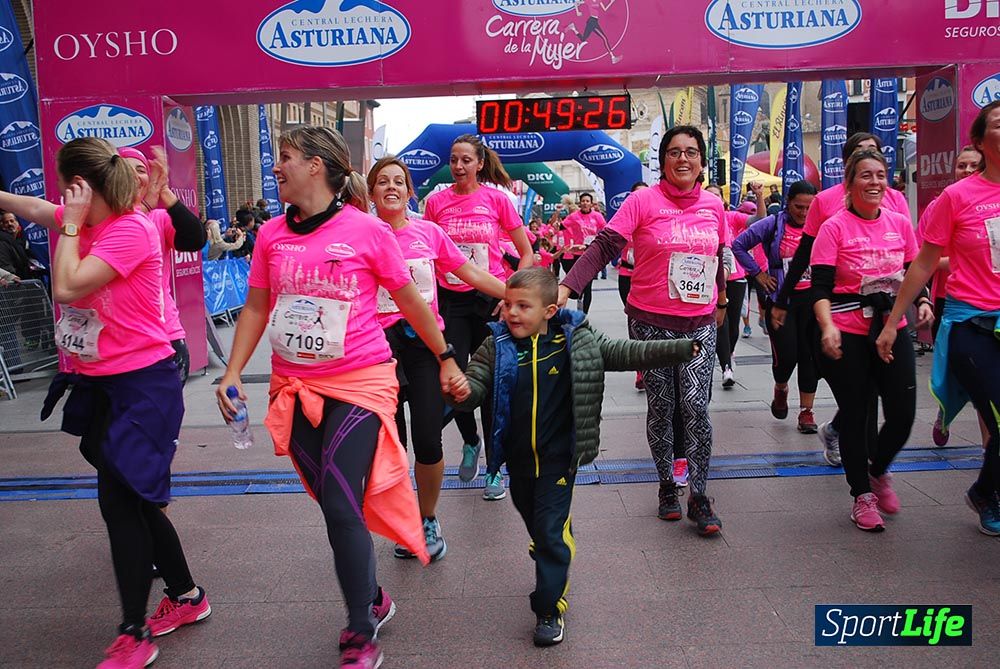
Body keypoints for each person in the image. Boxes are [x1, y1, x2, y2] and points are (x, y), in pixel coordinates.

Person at [216, 126, 469, 669]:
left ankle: (361, 628)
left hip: (361, 380)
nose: (276, 168)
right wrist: (232, 370)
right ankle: (374, 595)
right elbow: (258, 307)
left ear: (317, 165)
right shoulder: (270, 236)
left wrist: (445, 356)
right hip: (295, 384)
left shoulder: (367, 231)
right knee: (334, 504)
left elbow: (411, 301)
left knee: (337, 496)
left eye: (285, 158)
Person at [15, 137, 209, 668]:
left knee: (119, 503)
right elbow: (33, 208)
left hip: (144, 384)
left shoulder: (128, 229)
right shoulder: (90, 217)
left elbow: (68, 287)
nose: (59, 198)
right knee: (136, 499)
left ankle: (133, 633)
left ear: (81, 186)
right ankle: (187, 595)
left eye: (66, 187)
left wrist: (72, 225)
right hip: (100, 382)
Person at [450, 267, 698, 646]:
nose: (512, 313)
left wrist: (680, 348)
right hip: (518, 461)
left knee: (549, 536)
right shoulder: (495, 345)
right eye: (507, 305)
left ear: (549, 311)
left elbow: (622, 352)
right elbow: (477, 384)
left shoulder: (574, 340)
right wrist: (461, 391)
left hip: (558, 458)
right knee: (537, 524)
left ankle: (548, 609)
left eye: (523, 306)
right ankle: (554, 538)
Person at [559, 125, 727, 535]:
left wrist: (721, 300)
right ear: (663, 161)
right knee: (663, 406)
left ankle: (700, 495)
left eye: (691, 152)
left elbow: (717, 254)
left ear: (702, 162)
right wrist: (566, 288)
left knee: (695, 407)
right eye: (674, 152)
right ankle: (667, 486)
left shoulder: (713, 205)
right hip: (650, 321)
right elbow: (603, 246)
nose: (683, 159)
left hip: (699, 324)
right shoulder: (642, 200)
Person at [367, 156, 507, 561]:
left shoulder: (428, 233)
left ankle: (426, 517)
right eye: (383, 182)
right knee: (392, 443)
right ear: (372, 192)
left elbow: (472, 274)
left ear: (410, 191)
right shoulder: (361, 234)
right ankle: (402, 518)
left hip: (427, 346)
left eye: (399, 181)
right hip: (379, 351)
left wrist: (515, 295)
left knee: (428, 438)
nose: (391, 187)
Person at [876, 101, 1000, 535]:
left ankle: (986, 488)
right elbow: (923, 263)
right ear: (980, 141)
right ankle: (989, 492)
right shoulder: (957, 197)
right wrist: (894, 322)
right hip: (972, 324)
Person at [810, 149, 930, 531]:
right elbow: (821, 289)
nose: (874, 182)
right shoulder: (834, 228)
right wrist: (828, 326)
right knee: (859, 413)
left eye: (880, 175)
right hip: (849, 332)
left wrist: (923, 300)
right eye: (865, 175)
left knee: (902, 414)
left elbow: (913, 271)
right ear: (849, 184)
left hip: (891, 325)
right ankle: (862, 495)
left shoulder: (899, 223)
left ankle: (878, 472)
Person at [774, 132, 910, 465]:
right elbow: (805, 252)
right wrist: (782, 298)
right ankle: (864, 474)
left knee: (876, 394)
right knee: (859, 397)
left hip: (886, 313)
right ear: (847, 167)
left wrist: (919, 300)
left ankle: (844, 439)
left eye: (875, 155)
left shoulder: (895, 202)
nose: (872, 173)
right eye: (861, 157)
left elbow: (909, 260)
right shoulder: (826, 202)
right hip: (834, 305)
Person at [423, 133, 534, 500]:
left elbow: (526, 253)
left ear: (479, 163)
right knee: (455, 379)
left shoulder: (497, 200)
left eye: (465, 160)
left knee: (490, 386)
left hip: (489, 300)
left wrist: (512, 298)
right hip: (450, 300)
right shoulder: (436, 202)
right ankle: (470, 441)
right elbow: (425, 254)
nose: (458, 166)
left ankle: (494, 469)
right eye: (453, 159)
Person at [732, 180, 820, 434]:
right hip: (782, 302)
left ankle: (806, 412)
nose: (803, 213)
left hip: (813, 303)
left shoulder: (822, 225)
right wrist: (758, 274)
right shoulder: (773, 224)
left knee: (809, 358)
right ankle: (781, 388)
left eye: (809, 208)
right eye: (798, 207)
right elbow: (739, 245)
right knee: (787, 356)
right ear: (787, 204)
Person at [917, 145, 987, 447]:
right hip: (950, 300)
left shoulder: (990, 201)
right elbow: (922, 258)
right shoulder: (942, 204)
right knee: (952, 370)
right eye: (962, 166)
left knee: (984, 379)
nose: (967, 171)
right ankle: (945, 411)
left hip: (987, 303)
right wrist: (959, 259)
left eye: (973, 166)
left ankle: (989, 449)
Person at [118, 147, 207, 383]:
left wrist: (165, 192)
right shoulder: (104, 221)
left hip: (164, 337)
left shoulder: (158, 218)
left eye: (141, 170)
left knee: (162, 418)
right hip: (118, 344)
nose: (136, 177)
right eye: (126, 170)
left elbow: (195, 239)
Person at [707, 182, 765, 388]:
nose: (713, 199)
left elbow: (759, 220)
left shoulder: (732, 217)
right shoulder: (701, 217)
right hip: (711, 278)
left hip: (736, 277)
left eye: (716, 196)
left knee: (733, 324)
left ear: (723, 200)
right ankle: (726, 367)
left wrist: (758, 196)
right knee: (720, 322)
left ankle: (729, 354)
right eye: (709, 195)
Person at [560, 192, 607, 313]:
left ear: (591, 203)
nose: (585, 203)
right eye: (583, 201)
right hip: (577, 256)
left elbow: (605, 231)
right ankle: (579, 307)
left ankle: (583, 314)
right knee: (578, 286)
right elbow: (561, 226)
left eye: (587, 201)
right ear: (580, 203)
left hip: (591, 254)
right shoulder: (574, 216)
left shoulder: (597, 216)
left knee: (588, 286)